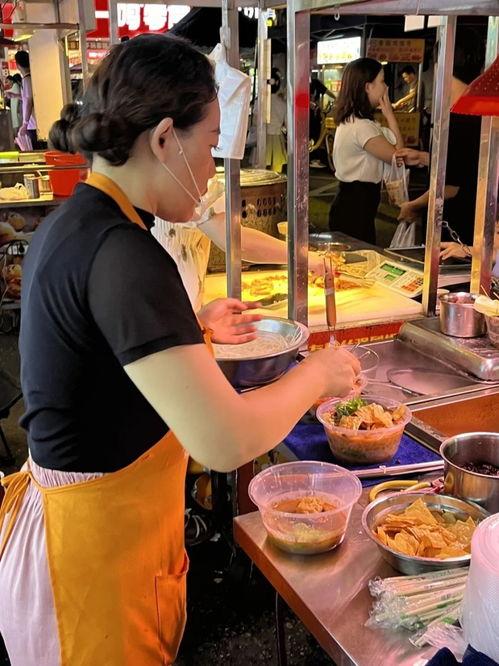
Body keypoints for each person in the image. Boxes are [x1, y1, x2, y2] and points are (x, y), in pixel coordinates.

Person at [0, 34, 360, 666]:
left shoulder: (77, 222)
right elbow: (223, 441)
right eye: (211, 144)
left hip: (81, 539)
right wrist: (320, 374)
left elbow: (97, 355)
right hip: (90, 571)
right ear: (165, 138)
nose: (213, 169)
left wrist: (189, 326)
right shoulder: (126, 254)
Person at [397, 26, 486, 246]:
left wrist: (413, 205)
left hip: (458, 231)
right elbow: (465, 164)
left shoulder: (460, 116)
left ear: (443, 64)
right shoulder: (482, 110)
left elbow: (450, 187)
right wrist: (423, 157)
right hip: (475, 224)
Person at [329, 57, 404, 244]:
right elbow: (399, 156)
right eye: (382, 81)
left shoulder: (355, 121)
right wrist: (390, 114)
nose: (386, 87)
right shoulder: (362, 127)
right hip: (355, 208)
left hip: (352, 204)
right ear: (368, 87)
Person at [13, 50, 39, 149]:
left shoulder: (27, 79)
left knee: (35, 150)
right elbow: (27, 98)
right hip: (34, 124)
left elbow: (28, 101)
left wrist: (25, 123)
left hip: (33, 124)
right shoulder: (31, 78)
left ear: (17, 65)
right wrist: (15, 96)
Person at [266, 67, 287, 173]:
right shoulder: (283, 104)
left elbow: (255, 121)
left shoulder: (261, 101)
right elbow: (287, 125)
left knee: (261, 170)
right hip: (278, 137)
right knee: (276, 171)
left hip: (263, 138)